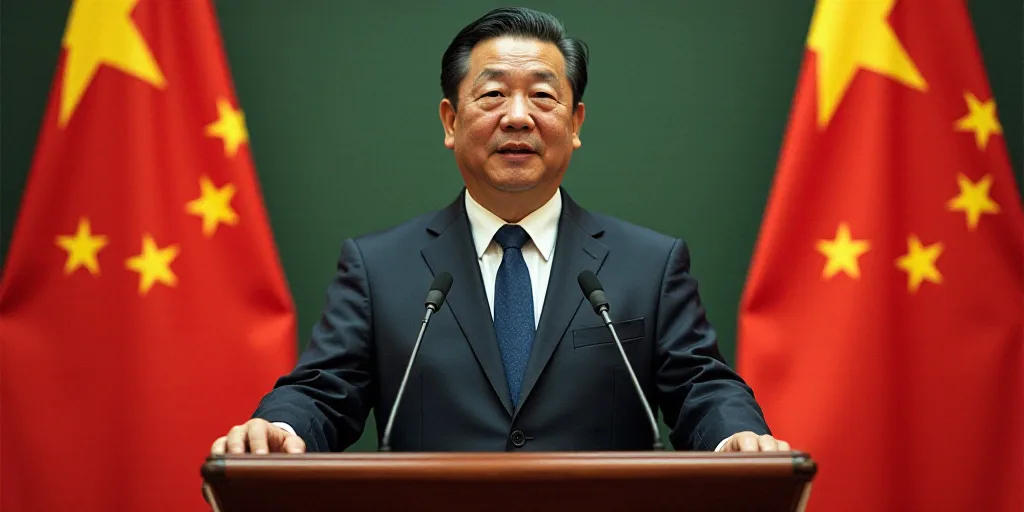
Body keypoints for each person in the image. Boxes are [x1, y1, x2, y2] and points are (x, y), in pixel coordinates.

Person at [211, 7, 789, 455]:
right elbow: (323, 390)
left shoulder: (650, 264)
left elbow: (700, 387)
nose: (518, 116)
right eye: (492, 95)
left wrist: (732, 436)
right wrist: (279, 427)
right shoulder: (379, 268)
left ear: (575, 121)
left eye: (543, 95)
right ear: (450, 120)